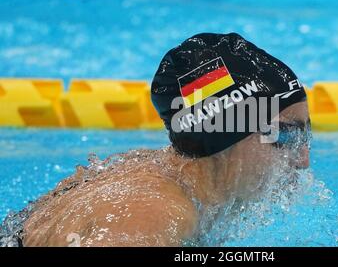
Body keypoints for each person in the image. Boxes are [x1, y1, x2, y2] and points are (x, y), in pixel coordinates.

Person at [19, 33, 311, 246]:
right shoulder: (153, 214)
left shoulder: (176, 180)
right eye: (285, 135)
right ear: (223, 136)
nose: (303, 160)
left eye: (307, 135)